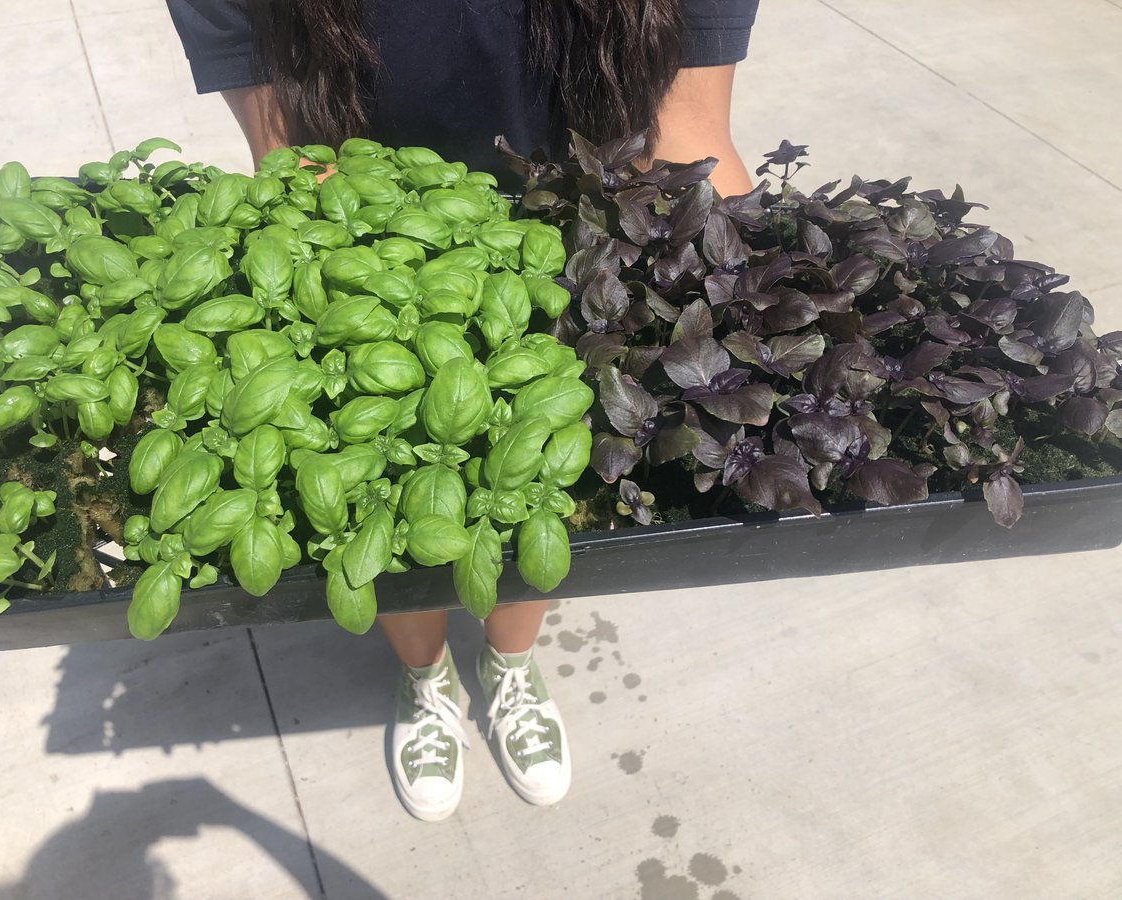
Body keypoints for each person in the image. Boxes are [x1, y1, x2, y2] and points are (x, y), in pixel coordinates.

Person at [164, 0, 760, 822]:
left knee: (537, 486)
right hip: (375, 240)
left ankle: (508, 664)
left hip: (569, 254)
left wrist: (749, 321)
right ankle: (426, 675)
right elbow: (287, 151)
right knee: (381, 499)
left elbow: (690, 134)